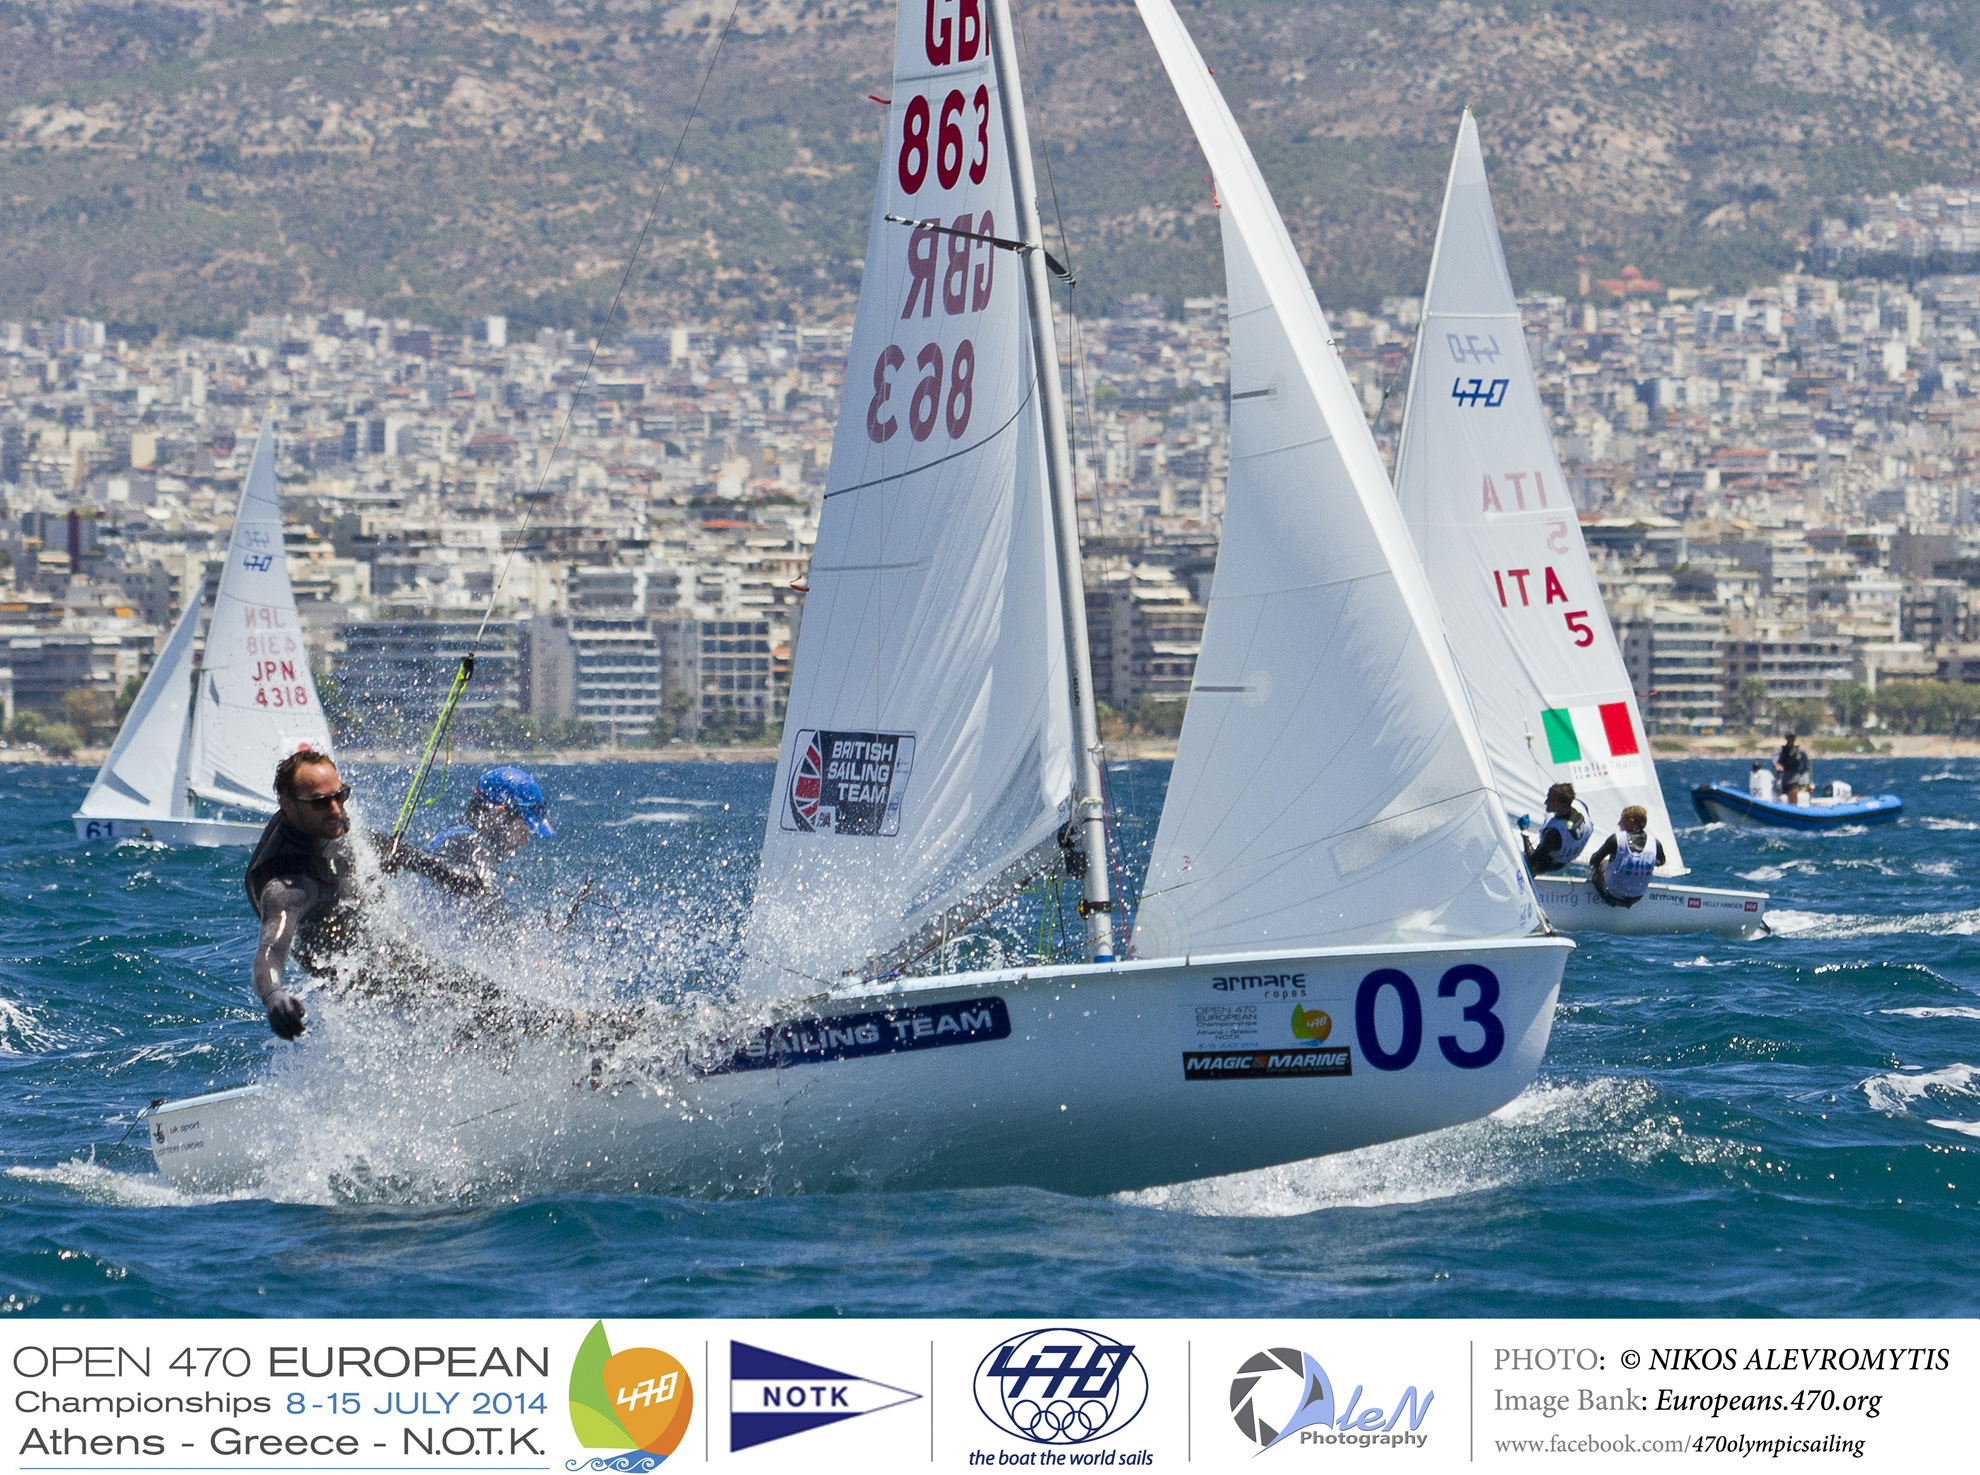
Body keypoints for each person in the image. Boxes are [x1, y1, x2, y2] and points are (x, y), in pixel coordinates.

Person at [244, 748, 494, 1039]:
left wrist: (439, 869)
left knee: (484, 997)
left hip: (392, 947)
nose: (336, 809)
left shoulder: (324, 818)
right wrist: (273, 995)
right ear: (286, 804)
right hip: (370, 981)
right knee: (477, 1014)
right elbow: (269, 952)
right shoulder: (286, 886)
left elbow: (372, 841)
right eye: (321, 802)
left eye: (341, 795)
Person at [424, 767, 554, 891]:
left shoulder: (454, 837)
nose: (524, 841)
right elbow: (488, 901)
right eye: (522, 830)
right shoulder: (467, 847)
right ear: (499, 815)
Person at [1587, 804, 1664, 908]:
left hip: (1612, 895)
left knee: (1601, 864)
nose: (1619, 823)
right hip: (1637, 896)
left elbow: (1594, 860)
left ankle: (1589, 899)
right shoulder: (1655, 843)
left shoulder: (1616, 839)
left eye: (1622, 820)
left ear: (1631, 821)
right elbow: (1660, 862)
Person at [1523, 782, 1593, 876]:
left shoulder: (1553, 834)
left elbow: (1533, 861)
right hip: (1570, 853)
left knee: (1527, 862)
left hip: (1553, 863)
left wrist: (1524, 831)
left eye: (1551, 801)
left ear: (1563, 806)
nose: (1546, 802)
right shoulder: (1581, 805)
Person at [1774, 730, 1811, 804]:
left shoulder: (1799, 751)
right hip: (1782, 779)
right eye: (1789, 737)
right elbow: (1775, 760)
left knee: (1793, 795)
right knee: (1777, 794)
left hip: (1794, 779)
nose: (1791, 739)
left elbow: (1806, 765)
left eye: (1792, 738)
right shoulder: (1781, 750)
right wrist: (1777, 765)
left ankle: (1793, 807)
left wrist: (1803, 776)